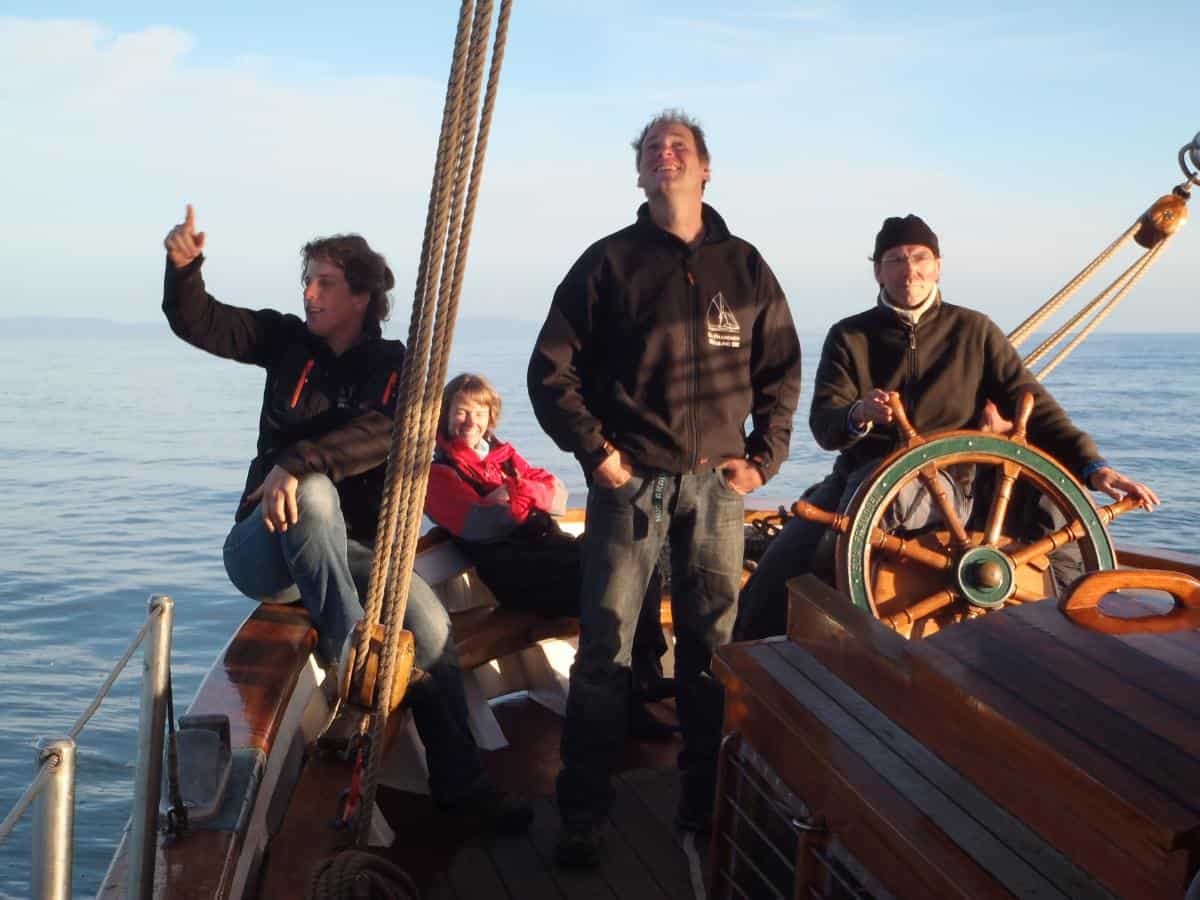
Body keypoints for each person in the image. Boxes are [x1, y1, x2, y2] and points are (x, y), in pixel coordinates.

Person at [161, 205, 532, 832]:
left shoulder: (398, 367)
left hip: (347, 552)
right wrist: (184, 270)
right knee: (312, 496)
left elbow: (385, 433)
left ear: (361, 296)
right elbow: (202, 321)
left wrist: (298, 460)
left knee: (433, 631)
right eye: (307, 280)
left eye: (325, 282)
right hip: (263, 549)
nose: (309, 294)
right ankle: (348, 654)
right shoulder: (285, 342)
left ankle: (462, 788)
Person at [527, 110, 802, 865]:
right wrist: (596, 454)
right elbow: (551, 370)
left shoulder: (744, 267)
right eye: (652, 148)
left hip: (717, 487)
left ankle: (703, 805)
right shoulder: (608, 262)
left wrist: (765, 458)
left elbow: (781, 369)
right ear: (640, 172)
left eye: (679, 146)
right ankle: (583, 813)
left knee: (712, 650)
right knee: (605, 649)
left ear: (705, 169)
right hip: (630, 482)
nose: (665, 154)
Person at [735, 213, 1159, 641]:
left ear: (938, 266)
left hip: (957, 485)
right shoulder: (850, 336)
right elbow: (826, 426)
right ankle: (746, 665)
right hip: (862, 480)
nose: (910, 269)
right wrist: (858, 414)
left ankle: (1074, 640)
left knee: (1055, 521)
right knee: (775, 577)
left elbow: (1039, 410)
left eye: (920, 257)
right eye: (896, 259)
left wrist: (1093, 468)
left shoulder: (975, 331)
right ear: (878, 271)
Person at [423, 373, 677, 737]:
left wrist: (512, 493)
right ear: (445, 414)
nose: (470, 422)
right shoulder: (438, 474)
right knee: (613, 580)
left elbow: (557, 495)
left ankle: (645, 675)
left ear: (490, 418)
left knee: (637, 559)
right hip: (518, 573)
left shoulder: (502, 455)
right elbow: (483, 524)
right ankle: (621, 703)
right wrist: (524, 495)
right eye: (461, 412)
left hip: (550, 552)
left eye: (479, 413)